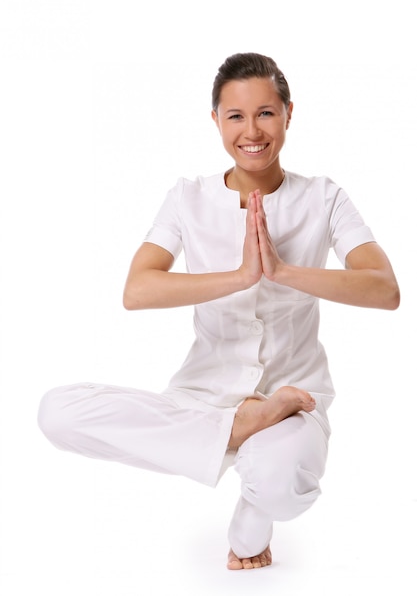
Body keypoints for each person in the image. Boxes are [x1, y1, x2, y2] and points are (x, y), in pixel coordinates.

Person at [38, 52, 400, 570]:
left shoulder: (325, 198)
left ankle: (249, 505)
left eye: (266, 113)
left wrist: (281, 271)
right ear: (216, 121)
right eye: (235, 116)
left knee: (281, 487)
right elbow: (137, 290)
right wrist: (240, 277)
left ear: (289, 113)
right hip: (203, 396)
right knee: (57, 412)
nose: (251, 130)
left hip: (292, 397)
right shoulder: (187, 198)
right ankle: (235, 430)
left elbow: (384, 289)